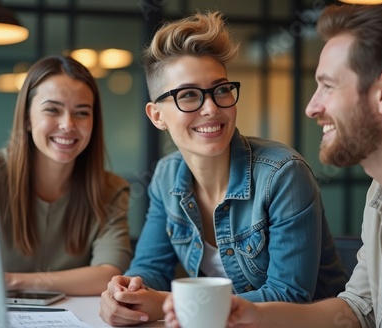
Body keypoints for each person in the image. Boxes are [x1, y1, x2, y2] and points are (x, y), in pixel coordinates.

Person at [163, 3, 382, 327]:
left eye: (328, 85)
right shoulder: (381, 192)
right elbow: (358, 309)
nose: (312, 107)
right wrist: (251, 313)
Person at [99, 11, 348, 326]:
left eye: (221, 90)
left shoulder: (283, 173)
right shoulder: (165, 175)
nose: (211, 108)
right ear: (156, 116)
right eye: (188, 95)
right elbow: (151, 267)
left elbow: (289, 294)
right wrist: (127, 291)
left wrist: (170, 303)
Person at [0, 55, 132, 296]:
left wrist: (12, 281)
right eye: (52, 110)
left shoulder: (111, 189)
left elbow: (108, 274)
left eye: (82, 113)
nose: (68, 124)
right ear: (27, 118)